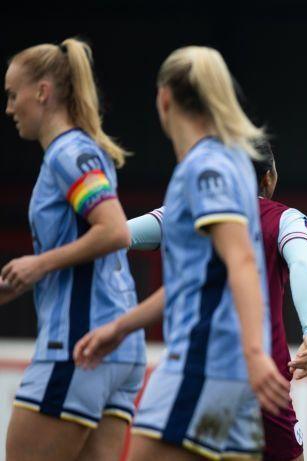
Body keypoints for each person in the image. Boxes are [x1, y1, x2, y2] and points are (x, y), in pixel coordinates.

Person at [72, 46, 290, 460]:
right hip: (227, 369)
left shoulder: (204, 168)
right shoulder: (224, 164)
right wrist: (118, 329)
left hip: (203, 364)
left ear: (165, 97)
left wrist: (255, 353)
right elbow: (194, 283)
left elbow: (242, 261)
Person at [126, 149, 307, 461]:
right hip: (261, 370)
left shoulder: (188, 211)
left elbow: (123, 233)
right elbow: (303, 264)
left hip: (199, 363)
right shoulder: (285, 219)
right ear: (268, 177)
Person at [2, 37, 146, 461]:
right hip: (118, 347)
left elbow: (114, 230)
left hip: (78, 345)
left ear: (42, 93)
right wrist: (27, 274)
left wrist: (38, 262)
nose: (9, 108)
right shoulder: (84, 151)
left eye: (13, 95)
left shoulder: (67, 153)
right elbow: (70, 259)